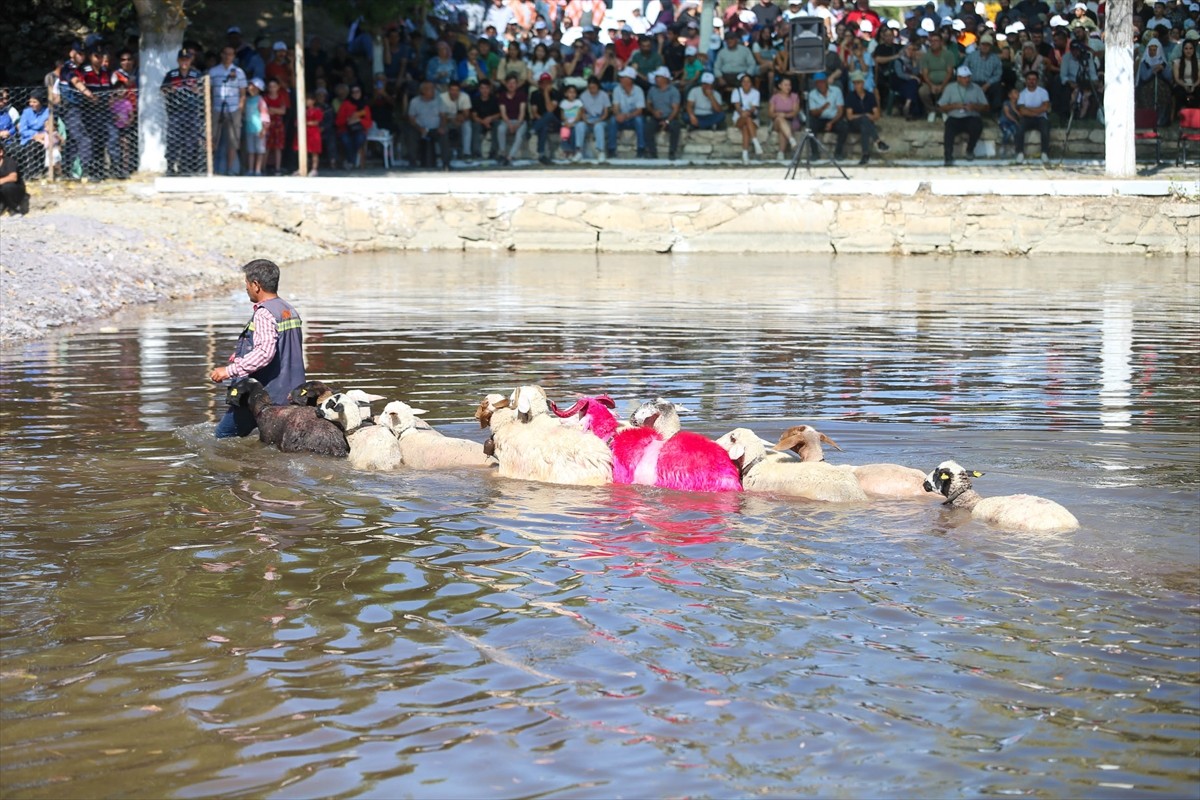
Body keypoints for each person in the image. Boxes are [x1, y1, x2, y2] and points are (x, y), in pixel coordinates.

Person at [210, 259, 305, 439]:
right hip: (293, 394)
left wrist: (229, 371)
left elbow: (264, 353)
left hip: (264, 396)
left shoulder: (264, 313)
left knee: (223, 437)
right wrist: (242, 353)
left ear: (256, 285)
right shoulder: (289, 310)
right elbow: (283, 346)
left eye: (246, 283)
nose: (245, 288)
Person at [161, 48, 204, 175]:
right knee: (173, 140)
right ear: (178, 60)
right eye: (182, 59)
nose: (184, 62)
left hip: (191, 112)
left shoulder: (196, 74)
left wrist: (198, 91)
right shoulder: (171, 74)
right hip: (175, 112)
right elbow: (163, 89)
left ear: (191, 60)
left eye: (187, 59)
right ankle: (170, 167)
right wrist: (171, 90)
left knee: (190, 141)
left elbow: (204, 90)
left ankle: (185, 167)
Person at [209, 45, 247, 175]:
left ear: (234, 56)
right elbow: (208, 91)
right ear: (221, 54)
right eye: (225, 53)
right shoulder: (213, 71)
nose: (227, 56)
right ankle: (211, 168)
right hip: (217, 108)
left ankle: (230, 169)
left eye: (230, 54)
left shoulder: (239, 72)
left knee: (233, 140)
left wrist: (240, 109)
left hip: (233, 108)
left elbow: (243, 93)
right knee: (213, 138)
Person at [939, 64, 988, 165]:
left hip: (971, 116)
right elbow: (941, 106)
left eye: (968, 77)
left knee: (977, 125)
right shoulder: (950, 88)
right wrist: (954, 106)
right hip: (955, 117)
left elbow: (986, 107)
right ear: (958, 78)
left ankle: (970, 150)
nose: (967, 79)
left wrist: (974, 107)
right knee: (949, 128)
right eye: (964, 77)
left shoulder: (976, 88)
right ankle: (948, 156)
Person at [407, 79, 452, 170]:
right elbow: (411, 119)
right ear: (423, 91)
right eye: (430, 89)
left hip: (435, 128)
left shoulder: (439, 100)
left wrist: (441, 127)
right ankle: (412, 162)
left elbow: (443, 116)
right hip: (420, 128)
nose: (433, 90)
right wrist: (420, 128)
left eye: (433, 88)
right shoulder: (415, 102)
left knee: (444, 134)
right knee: (411, 134)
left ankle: (446, 163)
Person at [844, 70, 885, 164]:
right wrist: (865, 115)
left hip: (866, 123)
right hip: (854, 123)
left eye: (858, 83)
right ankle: (878, 141)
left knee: (865, 126)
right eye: (854, 83)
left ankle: (865, 154)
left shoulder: (870, 96)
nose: (856, 85)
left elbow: (877, 115)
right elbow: (849, 116)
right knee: (864, 119)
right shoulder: (850, 96)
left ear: (863, 83)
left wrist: (869, 116)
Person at [806, 70, 848, 160]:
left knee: (844, 127)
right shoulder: (812, 94)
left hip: (834, 119)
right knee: (811, 125)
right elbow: (813, 112)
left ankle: (838, 153)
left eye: (821, 82)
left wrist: (832, 122)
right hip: (820, 119)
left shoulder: (836, 91)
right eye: (817, 83)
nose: (820, 85)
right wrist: (822, 108)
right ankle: (815, 153)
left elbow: (840, 110)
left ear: (825, 82)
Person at [607, 66, 647, 158]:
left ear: (629, 80)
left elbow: (639, 110)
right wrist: (618, 115)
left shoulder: (638, 90)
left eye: (622, 77)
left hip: (632, 118)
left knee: (639, 120)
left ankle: (641, 148)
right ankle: (611, 149)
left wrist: (626, 116)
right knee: (613, 120)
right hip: (622, 118)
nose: (620, 79)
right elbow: (615, 107)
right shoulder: (617, 89)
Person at [645, 66, 682, 160]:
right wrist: (653, 111)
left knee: (675, 127)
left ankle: (672, 152)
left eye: (658, 77)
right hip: (656, 117)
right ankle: (652, 153)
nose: (656, 79)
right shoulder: (652, 89)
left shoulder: (673, 91)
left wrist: (667, 121)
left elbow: (675, 109)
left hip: (670, 117)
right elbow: (648, 104)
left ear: (665, 78)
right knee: (648, 127)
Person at [919, 31, 957, 122]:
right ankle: (932, 110)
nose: (934, 43)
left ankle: (944, 110)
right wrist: (931, 85)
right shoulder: (926, 56)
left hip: (946, 82)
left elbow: (949, 72)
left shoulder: (948, 54)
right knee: (922, 91)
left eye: (936, 40)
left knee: (949, 90)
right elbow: (925, 73)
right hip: (930, 82)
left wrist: (942, 85)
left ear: (941, 42)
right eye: (932, 41)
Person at [1014, 69, 1051, 162]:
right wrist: (1037, 111)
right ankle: (1020, 153)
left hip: (1041, 118)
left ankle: (1044, 153)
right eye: (1029, 79)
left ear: (1037, 81)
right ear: (1026, 81)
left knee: (1045, 129)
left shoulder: (1043, 92)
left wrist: (1030, 110)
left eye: (1034, 79)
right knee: (1019, 129)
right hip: (1027, 119)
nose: (1031, 81)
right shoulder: (1022, 94)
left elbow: (1045, 107)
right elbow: (1022, 111)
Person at [335, 84, 372, 168]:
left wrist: (359, 120)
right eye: (353, 92)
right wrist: (348, 119)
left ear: (361, 92)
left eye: (357, 92)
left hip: (360, 130)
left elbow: (369, 123)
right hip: (345, 129)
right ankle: (352, 161)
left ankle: (350, 161)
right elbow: (338, 121)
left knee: (359, 139)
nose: (355, 94)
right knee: (346, 140)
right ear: (350, 94)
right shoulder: (345, 104)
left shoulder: (365, 106)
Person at [529, 72, 561, 164]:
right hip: (540, 121)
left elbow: (550, 109)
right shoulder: (534, 94)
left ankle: (532, 130)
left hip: (554, 121)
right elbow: (534, 112)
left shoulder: (555, 93)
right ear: (539, 84)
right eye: (543, 83)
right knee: (544, 127)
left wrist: (546, 93)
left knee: (549, 114)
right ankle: (541, 155)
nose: (545, 85)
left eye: (547, 83)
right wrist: (542, 122)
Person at [497, 73, 529, 165]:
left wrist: (517, 124)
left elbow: (522, 112)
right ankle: (502, 153)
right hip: (507, 120)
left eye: (514, 83)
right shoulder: (502, 96)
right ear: (506, 84)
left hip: (520, 121)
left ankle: (510, 157)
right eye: (509, 83)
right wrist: (510, 125)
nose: (511, 85)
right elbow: (503, 113)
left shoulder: (521, 95)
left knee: (519, 135)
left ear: (517, 84)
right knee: (500, 129)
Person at [577, 75, 611, 160]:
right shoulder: (583, 95)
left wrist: (598, 120)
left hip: (600, 119)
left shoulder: (604, 95)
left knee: (598, 127)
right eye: (590, 87)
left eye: (594, 87)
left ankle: (600, 151)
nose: (592, 89)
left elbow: (606, 113)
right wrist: (585, 120)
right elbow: (582, 112)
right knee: (579, 125)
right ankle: (579, 151)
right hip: (588, 119)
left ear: (598, 86)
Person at [768, 75, 802, 158]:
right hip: (777, 121)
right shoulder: (774, 97)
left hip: (792, 121)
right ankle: (791, 139)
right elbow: (770, 113)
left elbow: (794, 112)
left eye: (789, 85)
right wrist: (779, 115)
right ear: (780, 86)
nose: (788, 87)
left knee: (782, 129)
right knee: (780, 119)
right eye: (785, 85)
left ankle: (781, 153)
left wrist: (785, 115)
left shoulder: (794, 96)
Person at [731, 72, 761, 162]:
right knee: (746, 119)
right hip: (739, 118)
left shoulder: (756, 93)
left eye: (748, 81)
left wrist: (747, 112)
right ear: (741, 83)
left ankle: (745, 155)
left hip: (752, 118)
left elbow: (753, 108)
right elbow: (737, 107)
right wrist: (742, 112)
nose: (746, 84)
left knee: (745, 127)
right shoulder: (736, 91)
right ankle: (756, 143)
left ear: (751, 83)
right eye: (744, 81)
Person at [471, 79, 503, 160]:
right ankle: (476, 153)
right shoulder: (475, 100)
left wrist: (490, 118)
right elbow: (474, 116)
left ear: (490, 89)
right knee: (476, 126)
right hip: (480, 121)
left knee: (498, 125)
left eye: (487, 88)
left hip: (492, 121)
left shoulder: (494, 99)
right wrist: (484, 122)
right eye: (482, 88)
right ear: (479, 89)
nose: (484, 90)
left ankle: (494, 152)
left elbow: (499, 114)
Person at [243, 78, 269, 175]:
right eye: (251, 87)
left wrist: (264, 128)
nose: (252, 89)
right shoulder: (247, 100)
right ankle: (250, 169)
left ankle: (258, 170)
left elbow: (264, 114)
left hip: (259, 129)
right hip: (249, 128)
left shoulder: (261, 100)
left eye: (254, 88)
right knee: (251, 151)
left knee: (259, 151)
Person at [296, 91, 323, 175]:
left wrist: (305, 123)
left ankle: (314, 169)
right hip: (304, 133)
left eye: (309, 100)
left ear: (314, 101)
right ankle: (302, 168)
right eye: (306, 100)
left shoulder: (317, 110)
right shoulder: (302, 110)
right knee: (303, 151)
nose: (307, 101)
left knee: (314, 151)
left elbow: (317, 122)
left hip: (313, 132)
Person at [0, 141, 29, 216]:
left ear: (1, 152)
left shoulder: (9, 161)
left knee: (7, 187)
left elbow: (13, 178)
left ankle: (14, 209)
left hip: (15, 190)